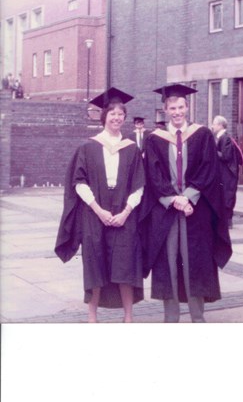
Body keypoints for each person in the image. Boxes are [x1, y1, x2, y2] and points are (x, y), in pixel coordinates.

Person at [140, 83, 232, 323]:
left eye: (181, 107)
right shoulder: (154, 139)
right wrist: (174, 199)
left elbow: (208, 169)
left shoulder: (202, 135)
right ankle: (171, 318)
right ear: (165, 109)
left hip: (196, 209)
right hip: (167, 208)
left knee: (195, 261)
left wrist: (189, 197)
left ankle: (197, 317)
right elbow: (153, 174)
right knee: (168, 260)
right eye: (172, 107)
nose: (177, 112)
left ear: (187, 107)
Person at [55, 87, 145, 323]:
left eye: (120, 114)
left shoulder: (132, 149)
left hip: (124, 216)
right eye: (112, 113)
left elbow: (139, 185)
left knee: (125, 265)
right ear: (104, 116)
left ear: (124, 117)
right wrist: (98, 209)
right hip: (95, 215)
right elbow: (79, 183)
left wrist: (126, 212)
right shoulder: (88, 147)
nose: (116, 118)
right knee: (95, 264)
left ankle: (128, 317)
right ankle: (92, 317)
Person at [212, 115, 243, 229]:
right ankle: (225, 221)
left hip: (228, 174)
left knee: (227, 196)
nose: (212, 126)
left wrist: (212, 150)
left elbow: (225, 156)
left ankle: (227, 221)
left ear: (220, 125)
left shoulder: (225, 138)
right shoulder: (223, 137)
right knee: (224, 196)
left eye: (214, 124)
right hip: (225, 173)